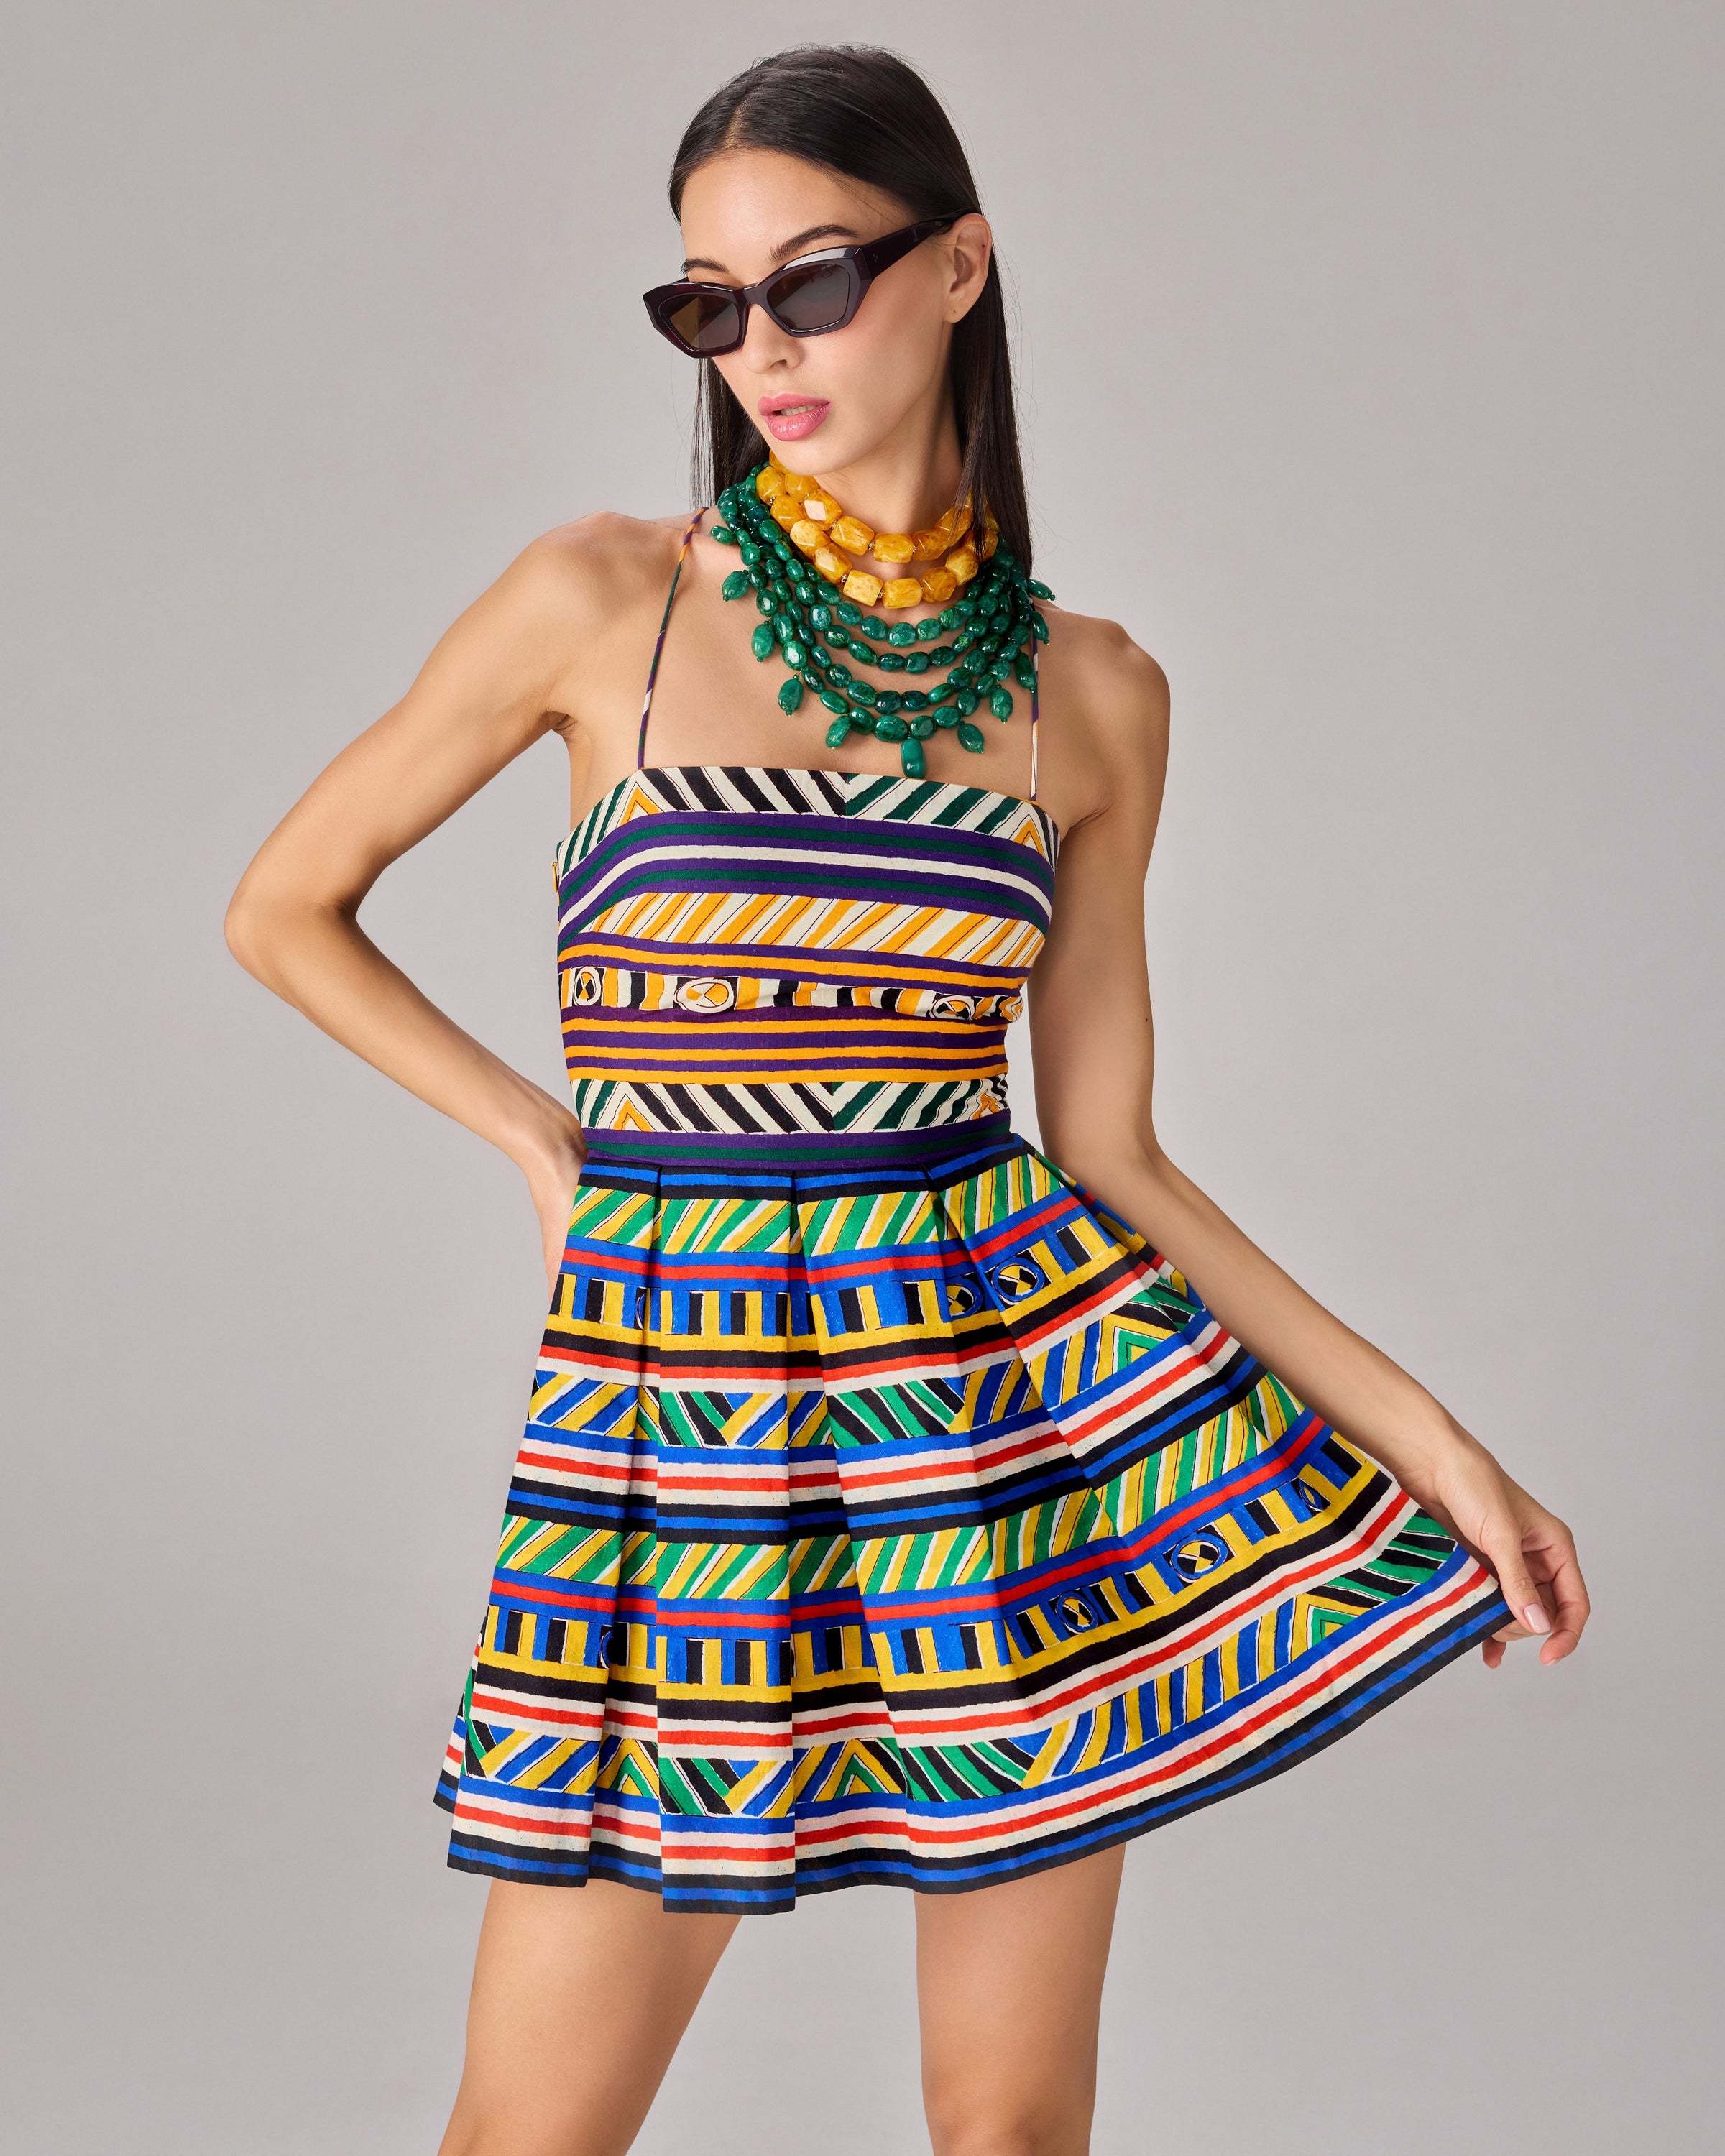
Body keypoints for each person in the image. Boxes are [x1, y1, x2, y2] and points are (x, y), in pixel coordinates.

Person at [225, 41, 1589, 2156]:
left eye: (812, 280)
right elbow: (283, 908)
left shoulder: (1094, 694)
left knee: (1014, 2130)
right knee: (528, 2134)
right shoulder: (604, 603)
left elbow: (1114, 1154)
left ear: (960, 266)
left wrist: (1441, 1448)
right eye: (708, 303)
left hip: (1007, 1444)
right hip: (678, 1429)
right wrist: (545, 1140)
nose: (760, 348)